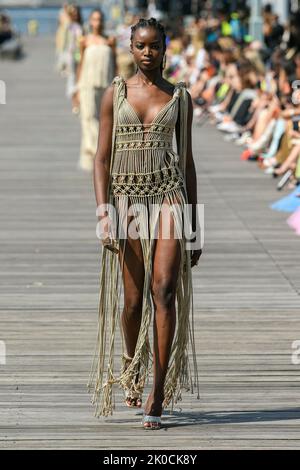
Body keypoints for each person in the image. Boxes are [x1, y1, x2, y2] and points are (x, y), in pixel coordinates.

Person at [87, 17, 202, 430]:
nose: (148, 52)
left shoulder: (180, 98)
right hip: (129, 201)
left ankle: (156, 393)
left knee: (163, 290)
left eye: (155, 45)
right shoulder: (114, 94)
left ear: (165, 48)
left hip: (169, 196)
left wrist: (194, 225)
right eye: (140, 45)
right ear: (131, 48)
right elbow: (101, 159)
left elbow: (186, 162)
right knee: (133, 301)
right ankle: (131, 364)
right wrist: (105, 212)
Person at [75, 8, 116, 171]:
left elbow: (115, 63)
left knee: (104, 118)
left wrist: (118, 83)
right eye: (94, 19)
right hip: (87, 83)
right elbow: (81, 64)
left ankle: (102, 150)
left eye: (99, 19)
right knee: (88, 116)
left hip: (106, 82)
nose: (97, 22)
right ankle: (93, 150)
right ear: (90, 21)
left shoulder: (110, 40)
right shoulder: (84, 40)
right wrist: (76, 88)